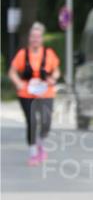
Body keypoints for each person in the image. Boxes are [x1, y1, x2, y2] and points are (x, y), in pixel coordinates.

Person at [9, 21, 61, 166]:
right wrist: (18, 83)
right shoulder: (22, 54)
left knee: (46, 122)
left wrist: (53, 78)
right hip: (27, 94)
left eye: (38, 37)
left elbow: (57, 71)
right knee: (32, 122)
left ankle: (40, 143)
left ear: (41, 38)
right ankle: (33, 153)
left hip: (46, 93)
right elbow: (12, 72)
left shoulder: (49, 54)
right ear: (29, 38)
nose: (35, 39)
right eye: (33, 37)